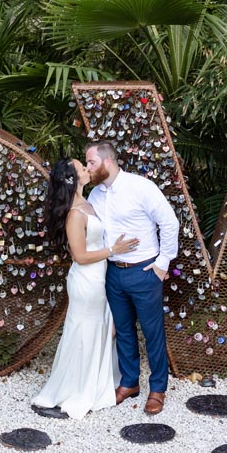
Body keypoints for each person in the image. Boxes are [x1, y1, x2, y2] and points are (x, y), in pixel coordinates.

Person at [32, 158, 139, 419]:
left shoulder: (88, 203)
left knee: (101, 327)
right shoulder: (74, 213)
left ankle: (93, 381)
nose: (87, 169)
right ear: (73, 178)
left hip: (100, 277)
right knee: (84, 331)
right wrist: (115, 250)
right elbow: (80, 256)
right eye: (82, 168)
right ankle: (75, 387)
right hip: (86, 280)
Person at [86, 141, 179, 415]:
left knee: (153, 334)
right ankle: (129, 383)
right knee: (124, 332)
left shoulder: (141, 188)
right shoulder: (94, 196)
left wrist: (163, 263)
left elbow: (169, 223)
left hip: (144, 272)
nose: (88, 168)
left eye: (91, 163)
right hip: (114, 272)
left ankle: (158, 388)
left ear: (108, 162)